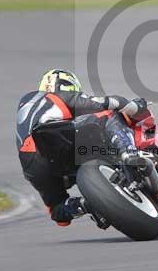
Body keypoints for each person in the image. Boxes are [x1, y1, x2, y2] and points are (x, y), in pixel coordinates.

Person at [15, 69, 149, 227]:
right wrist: (133, 106)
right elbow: (102, 104)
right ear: (67, 85)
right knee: (109, 114)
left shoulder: (28, 105)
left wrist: (100, 200)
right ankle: (129, 154)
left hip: (30, 162)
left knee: (58, 210)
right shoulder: (52, 96)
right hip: (55, 135)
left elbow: (60, 219)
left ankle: (86, 204)